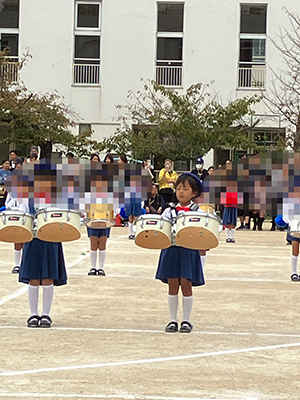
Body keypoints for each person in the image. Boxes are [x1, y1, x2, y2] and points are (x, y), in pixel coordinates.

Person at [155, 173, 205, 333]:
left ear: (194, 193)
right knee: (172, 283)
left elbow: (205, 231)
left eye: (185, 188)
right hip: (171, 249)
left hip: (188, 250)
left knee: (186, 283)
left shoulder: (198, 212)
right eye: (178, 188)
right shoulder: (169, 210)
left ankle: (186, 320)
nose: (181, 192)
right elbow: (161, 227)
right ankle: (172, 320)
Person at [87, 153, 110, 276]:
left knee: (103, 241)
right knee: (93, 241)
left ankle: (101, 267)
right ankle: (92, 267)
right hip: (93, 214)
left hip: (105, 215)